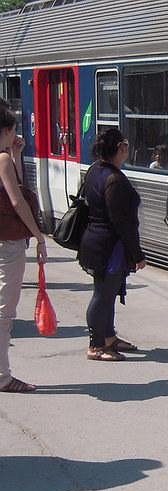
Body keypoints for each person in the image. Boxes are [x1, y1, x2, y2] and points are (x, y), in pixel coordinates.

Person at [78, 128, 146, 361]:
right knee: (103, 295)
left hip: (95, 241)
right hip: (109, 247)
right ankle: (96, 345)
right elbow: (123, 223)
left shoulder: (95, 170)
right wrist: (137, 254)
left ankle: (109, 337)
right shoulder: (114, 179)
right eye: (125, 144)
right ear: (120, 148)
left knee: (106, 293)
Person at [0, 106, 46, 392]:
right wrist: (39, 236)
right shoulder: (2, 158)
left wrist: (16, 155)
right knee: (4, 312)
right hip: (7, 244)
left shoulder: (7, 157)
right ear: (6, 130)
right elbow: (17, 200)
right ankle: (3, 376)